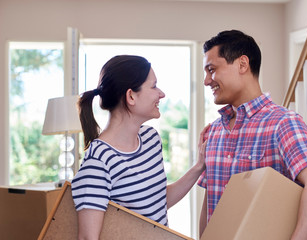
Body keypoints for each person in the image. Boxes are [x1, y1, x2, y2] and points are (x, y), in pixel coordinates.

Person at [197, 30, 307, 240]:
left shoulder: (283, 123)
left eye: (212, 70)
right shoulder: (216, 130)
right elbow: (211, 200)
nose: (207, 81)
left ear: (242, 64)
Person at [71, 55, 207, 240]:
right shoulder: (98, 163)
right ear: (131, 96)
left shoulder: (150, 139)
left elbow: (158, 203)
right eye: (153, 86)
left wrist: (200, 165)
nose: (161, 93)